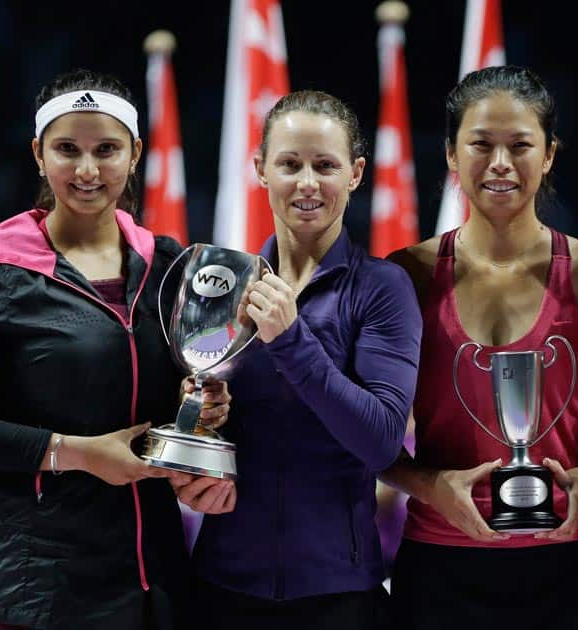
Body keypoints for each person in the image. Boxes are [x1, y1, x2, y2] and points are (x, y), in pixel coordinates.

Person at [0, 68, 232, 629]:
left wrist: (204, 411)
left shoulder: (170, 265)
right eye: (68, 150)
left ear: (135, 154)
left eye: (106, 150)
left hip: (152, 585)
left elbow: (186, 394)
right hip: (31, 590)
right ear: (39, 154)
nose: (87, 170)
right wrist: (76, 453)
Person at [380, 65, 578, 629]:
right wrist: (432, 487)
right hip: (440, 561)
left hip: (568, 558)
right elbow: (375, 432)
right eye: (480, 144)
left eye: (519, 146)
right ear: (449, 154)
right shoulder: (409, 274)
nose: (499, 164)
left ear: (549, 155)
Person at [175, 90, 421, 630]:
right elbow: (193, 426)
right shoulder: (219, 287)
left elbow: (381, 441)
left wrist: (290, 338)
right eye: (290, 164)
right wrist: (197, 426)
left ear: (356, 173)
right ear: (261, 169)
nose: (307, 182)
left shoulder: (381, 289)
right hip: (220, 589)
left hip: (339, 598)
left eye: (325, 165)